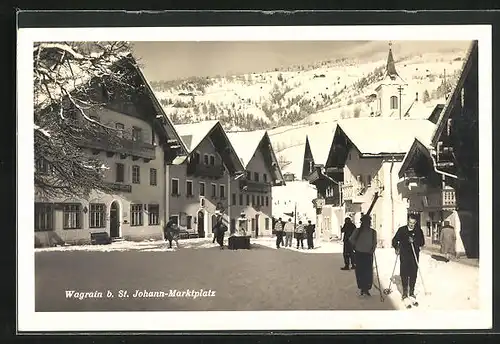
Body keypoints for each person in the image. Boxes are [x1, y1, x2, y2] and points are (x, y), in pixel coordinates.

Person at [392, 214, 425, 302]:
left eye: (413, 223)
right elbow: (394, 240)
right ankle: (405, 292)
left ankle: (411, 292)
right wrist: (397, 247)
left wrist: (414, 241)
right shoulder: (402, 230)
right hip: (404, 255)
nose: (411, 225)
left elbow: (422, 242)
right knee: (404, 273)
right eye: (410, 222)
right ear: (408, 221)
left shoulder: (418, 231)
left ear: (415, 223)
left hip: (414, 255)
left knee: (413, 273)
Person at [349, 214, 377, 296]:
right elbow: (351, 239)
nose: (367, 223)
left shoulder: (373, 232)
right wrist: (355, 246)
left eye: (368, 222)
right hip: (359, 253)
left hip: (368, 254)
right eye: (365, 222)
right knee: (360, 272)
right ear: (362, 222)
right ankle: (362, 287)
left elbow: (374, 243)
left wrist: (372, 250)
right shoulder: (357, 231)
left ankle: (367, 288)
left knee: (368, 272)